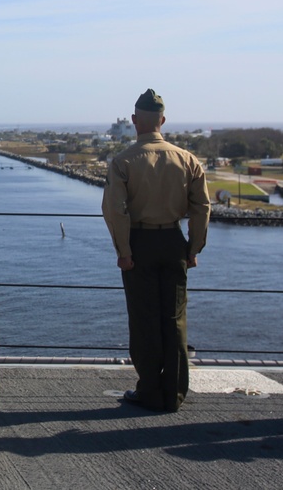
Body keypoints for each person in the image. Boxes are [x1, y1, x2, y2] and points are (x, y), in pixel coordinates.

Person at [101, 89, 210, 412]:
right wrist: (194, 247)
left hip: (139, 242)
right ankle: (174, 392)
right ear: (162, 121)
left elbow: (115, 210)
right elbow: (202, 208)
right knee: (174, 319)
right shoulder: (187, 159)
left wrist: (123, 250)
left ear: (135, 121)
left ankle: (149, 389)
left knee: (144, 319)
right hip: (174, 241)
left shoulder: (123, 161)